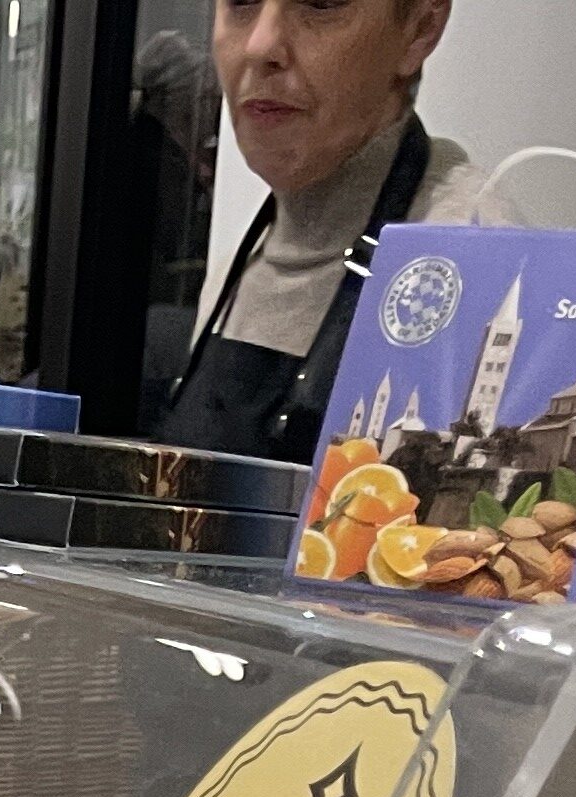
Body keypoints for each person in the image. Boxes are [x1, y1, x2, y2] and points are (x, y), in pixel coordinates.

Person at [159, 0, 482, 459]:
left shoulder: (472, 262)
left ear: (420, 29)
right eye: (242, 1)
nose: (260, 46)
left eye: (321, 3)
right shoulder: (246, 258)